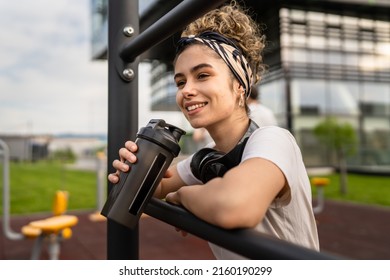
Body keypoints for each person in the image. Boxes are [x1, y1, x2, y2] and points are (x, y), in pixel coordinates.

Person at [108, 1, 319, 259]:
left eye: (203, 75)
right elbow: (153, 189)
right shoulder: (206, 158)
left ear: (240, 86)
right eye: (180, 81)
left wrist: (184, 196)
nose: (186, 90)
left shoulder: (272, 140)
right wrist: (133, 167)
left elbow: (234, 206)